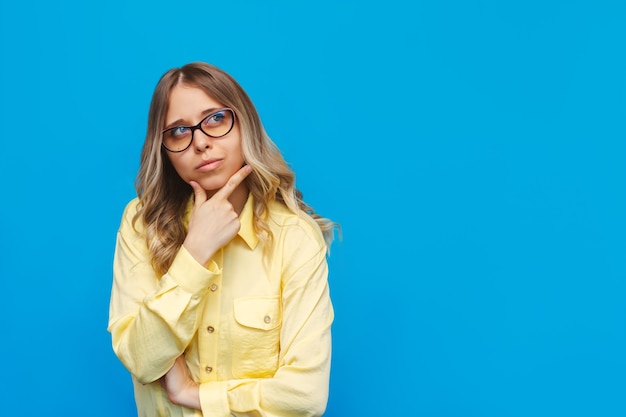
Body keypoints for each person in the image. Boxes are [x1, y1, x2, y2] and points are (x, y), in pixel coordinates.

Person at [107, 62, 338, 417]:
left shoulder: (294, 238)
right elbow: (141, 358)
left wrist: (197, 395)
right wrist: (195, 251)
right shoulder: (142, 224)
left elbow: (305, 396)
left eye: (215, 119)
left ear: (244, 124)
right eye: (179, 131)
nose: (200, 142)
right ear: (164, 149)